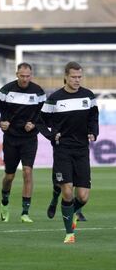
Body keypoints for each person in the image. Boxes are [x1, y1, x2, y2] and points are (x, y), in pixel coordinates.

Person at [38, 61, 98, 244]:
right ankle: (69, 234)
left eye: (79, 77)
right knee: (68, 192)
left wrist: (93, 132)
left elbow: (93, 117)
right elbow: (40, 121)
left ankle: (71, 212)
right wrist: (51, 136)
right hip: (62, 149)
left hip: (81, 150)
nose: (77, 80)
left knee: (83, 197)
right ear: (65, 76)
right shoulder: (55, 98)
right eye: (73, 77)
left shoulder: (88, 96)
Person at [0, 62, 46, 223]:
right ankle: (4, 202)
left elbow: (45, 114)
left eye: (28, 76)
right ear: (17, 74)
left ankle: (25, 212)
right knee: (9, 176)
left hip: (29, 139)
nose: (25, 79)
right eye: (22, 76)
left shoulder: (38, 92)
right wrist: (0, 122)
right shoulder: (6, 90)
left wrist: (34, 124)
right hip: (11, 138)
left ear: (31, 75)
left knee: (27, 172)